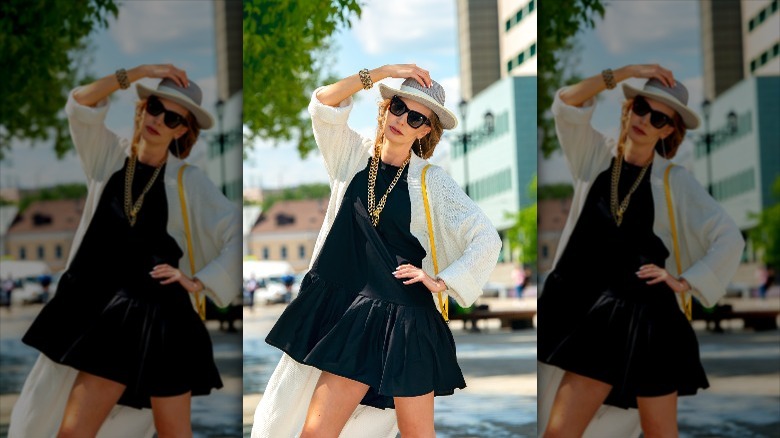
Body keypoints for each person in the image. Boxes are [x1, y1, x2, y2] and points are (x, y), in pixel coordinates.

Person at [252, 64, 502, 438]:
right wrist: (380, 73)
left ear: (425, 130)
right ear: (387, 107)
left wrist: (442, 281)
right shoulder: (352, 155)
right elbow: (322, 104)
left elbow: (486, 237)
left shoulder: (431, 182)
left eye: (416, 117)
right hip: (355, 318)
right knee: (315, 433)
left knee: (418, 433)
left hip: (408, 321)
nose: (403, 119)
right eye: (399, 107)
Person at [9, 64, 241, 438]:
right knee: (72, 433)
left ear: (182, 129)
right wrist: (137, 73)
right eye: (154, 107)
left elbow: (237, 233)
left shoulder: (188, 181)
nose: (158, 121)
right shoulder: (109, 156)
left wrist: (199, 281)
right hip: (109, 319)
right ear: (142, 107)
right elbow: (81, 105)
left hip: (166, 321)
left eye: (171, 118)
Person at [537, 64, 744, 437]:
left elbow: (730, 236)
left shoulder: (674, 181)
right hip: (597, 320)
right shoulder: (596, 156)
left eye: (658, 117)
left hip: (652, 322)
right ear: (628, 109)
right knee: (559, 432)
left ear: (669, 129)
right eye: (640, 108)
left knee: (659, 434)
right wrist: (625, 73)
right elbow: (567, 104)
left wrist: (685, 281)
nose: (645, 119)